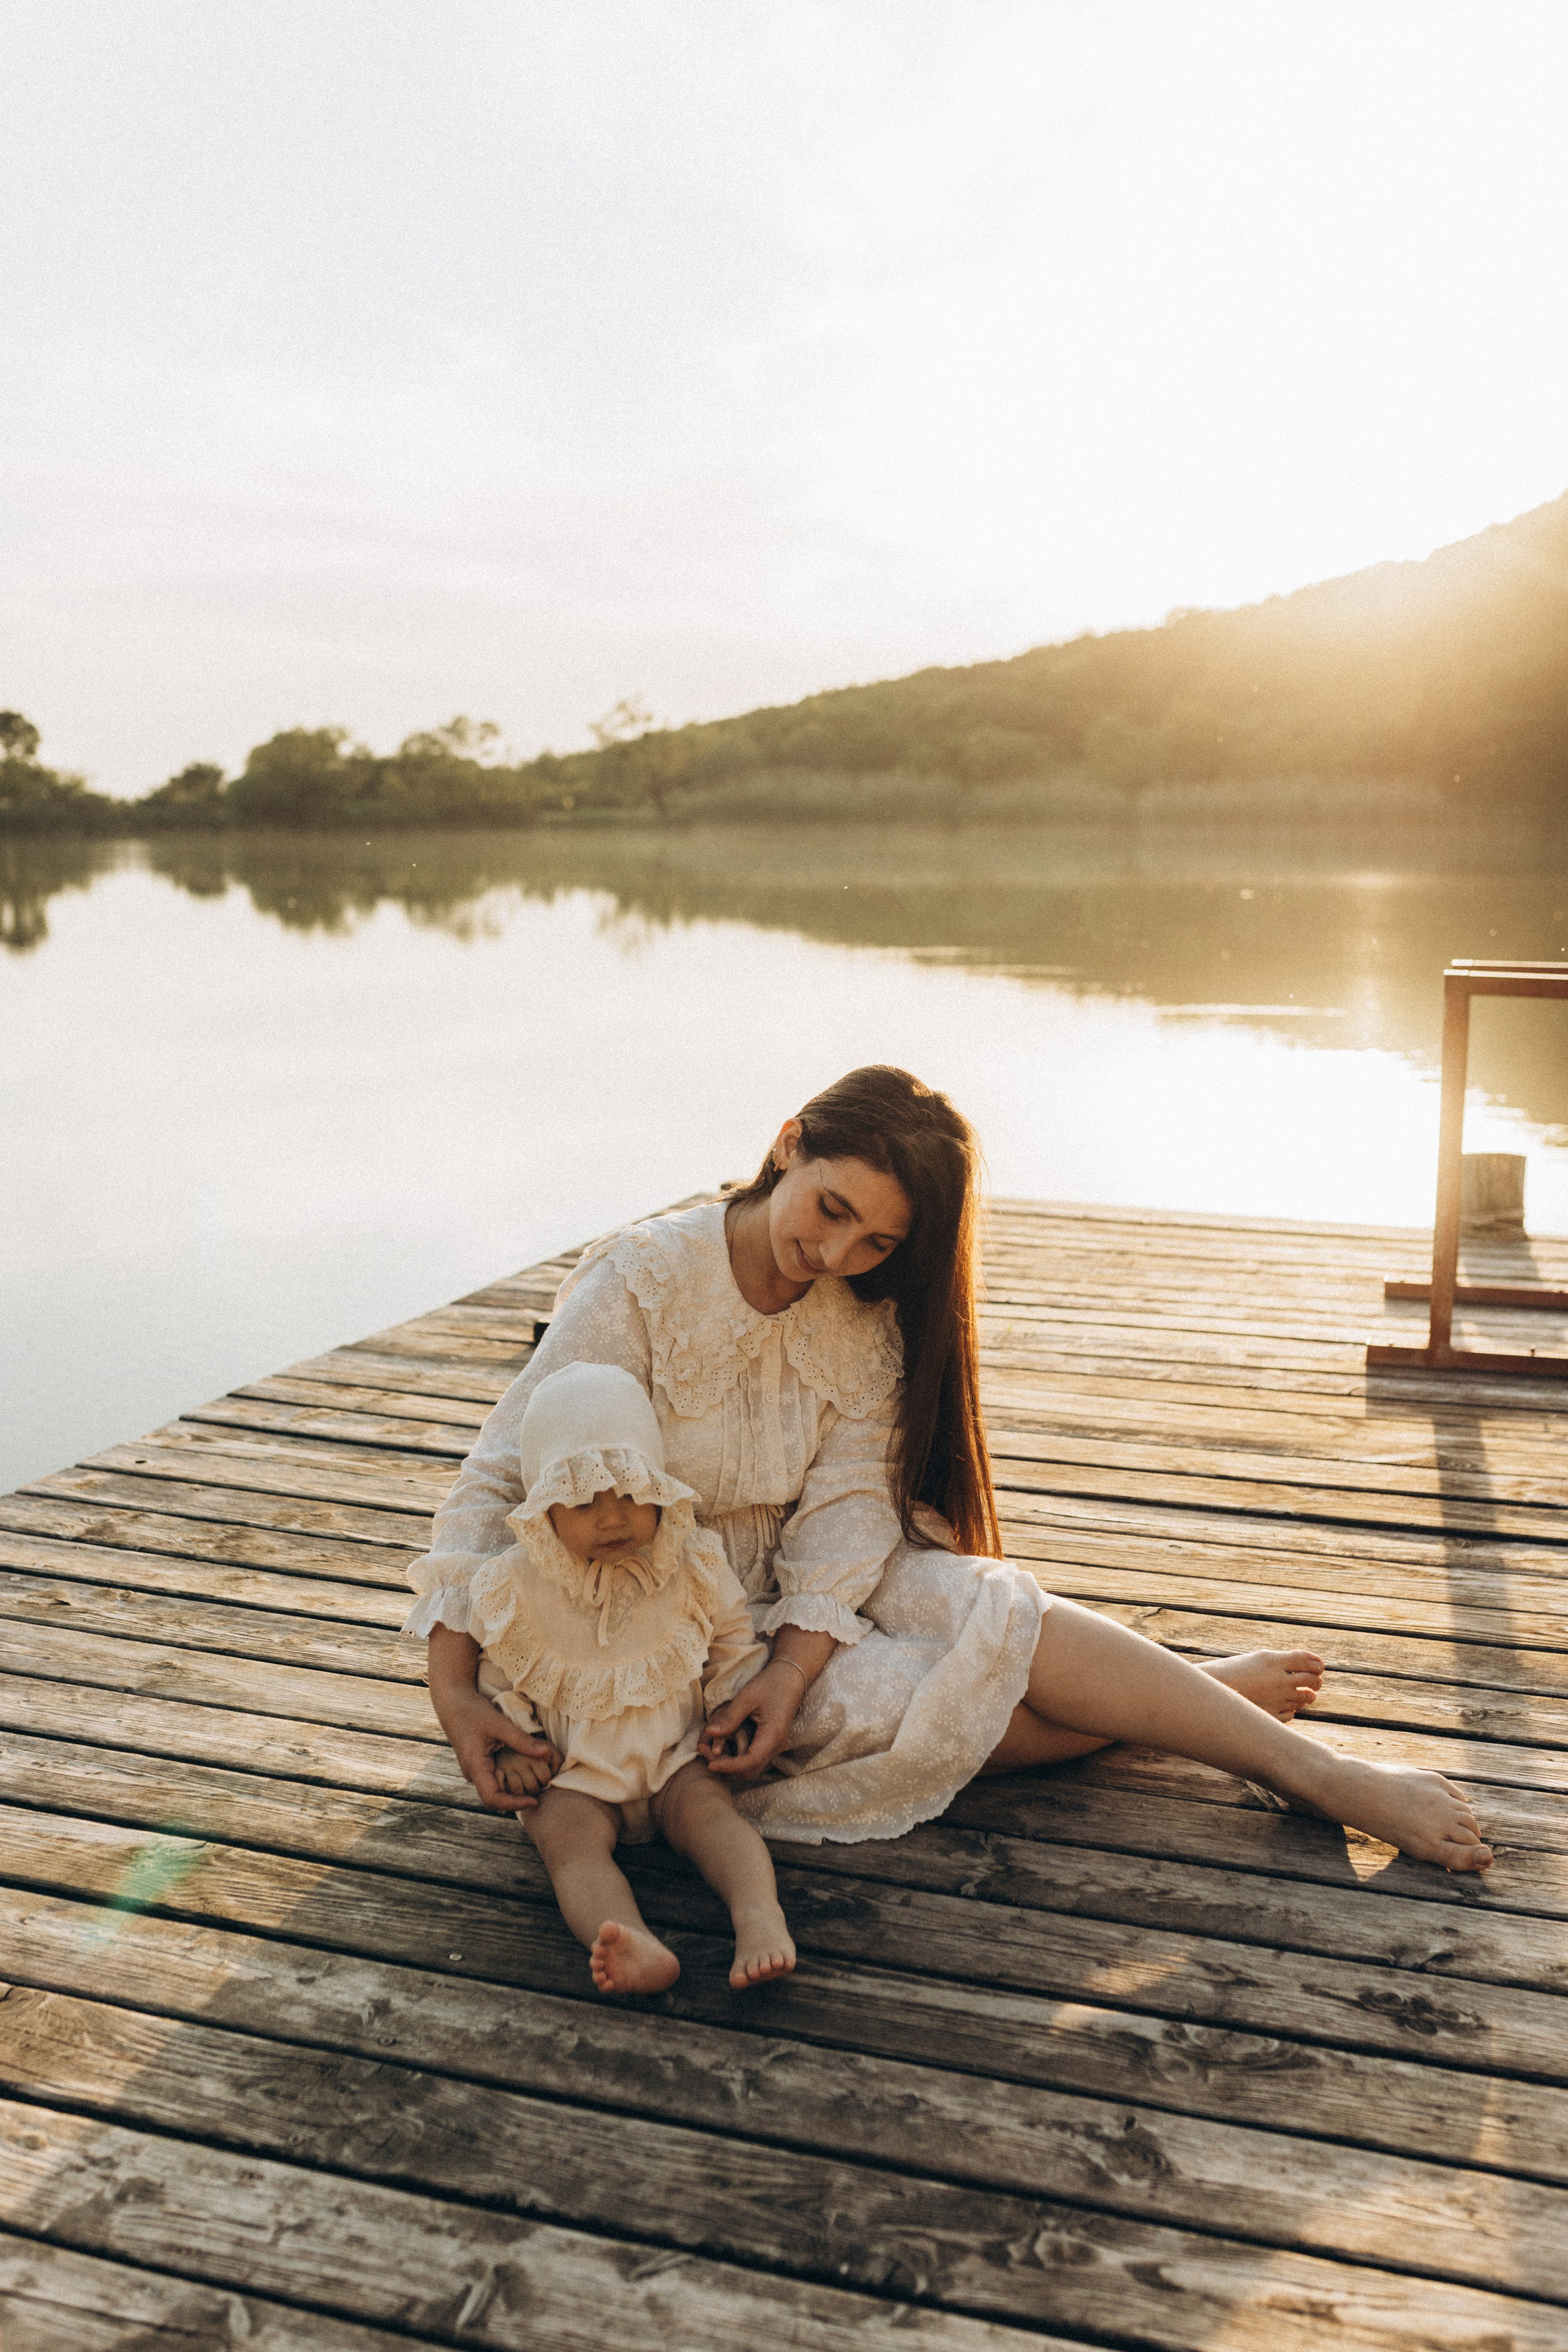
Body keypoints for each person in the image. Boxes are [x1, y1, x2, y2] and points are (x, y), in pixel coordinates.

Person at [409, 1065, 1491, 1877]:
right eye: (833, 1210)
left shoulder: (860, 1318)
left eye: (878, 1244)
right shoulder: (641, 1281)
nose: (838, 1257)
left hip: (819, 1581)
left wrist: (791, 1670)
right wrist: (456, 1697)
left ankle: (1317, 1774)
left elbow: (844, 1517)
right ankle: (1193, 1697)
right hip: (646, 1609)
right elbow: (496, 1485)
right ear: (788, 1146)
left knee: (994, 1609)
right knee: (929, 1708)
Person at [429, 1357, 795, 1993]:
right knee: (568, 1848)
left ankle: (759, 1916)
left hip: (677, 1760)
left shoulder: (694, 1562)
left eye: (630, 1491)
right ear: (544, 1505)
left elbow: (732, 1638)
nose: (612, 1517)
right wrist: (515, 1745)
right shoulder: (514, 1586)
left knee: (719, 1824)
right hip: (573, 1776)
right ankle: (628, 1939)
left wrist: (730, 1704)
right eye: (582, 1500)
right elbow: (498, 1679)